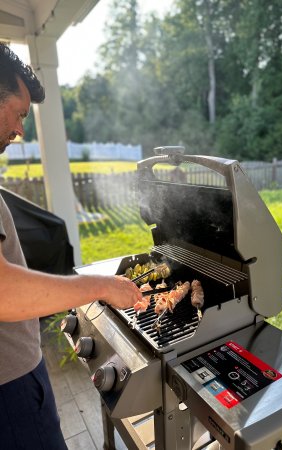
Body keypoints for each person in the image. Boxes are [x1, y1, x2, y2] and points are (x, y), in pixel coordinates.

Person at [0, 43, 143, 449]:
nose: (20, 130)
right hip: (8, 391)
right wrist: (100, 286)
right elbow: (3, 291)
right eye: (20, 113)